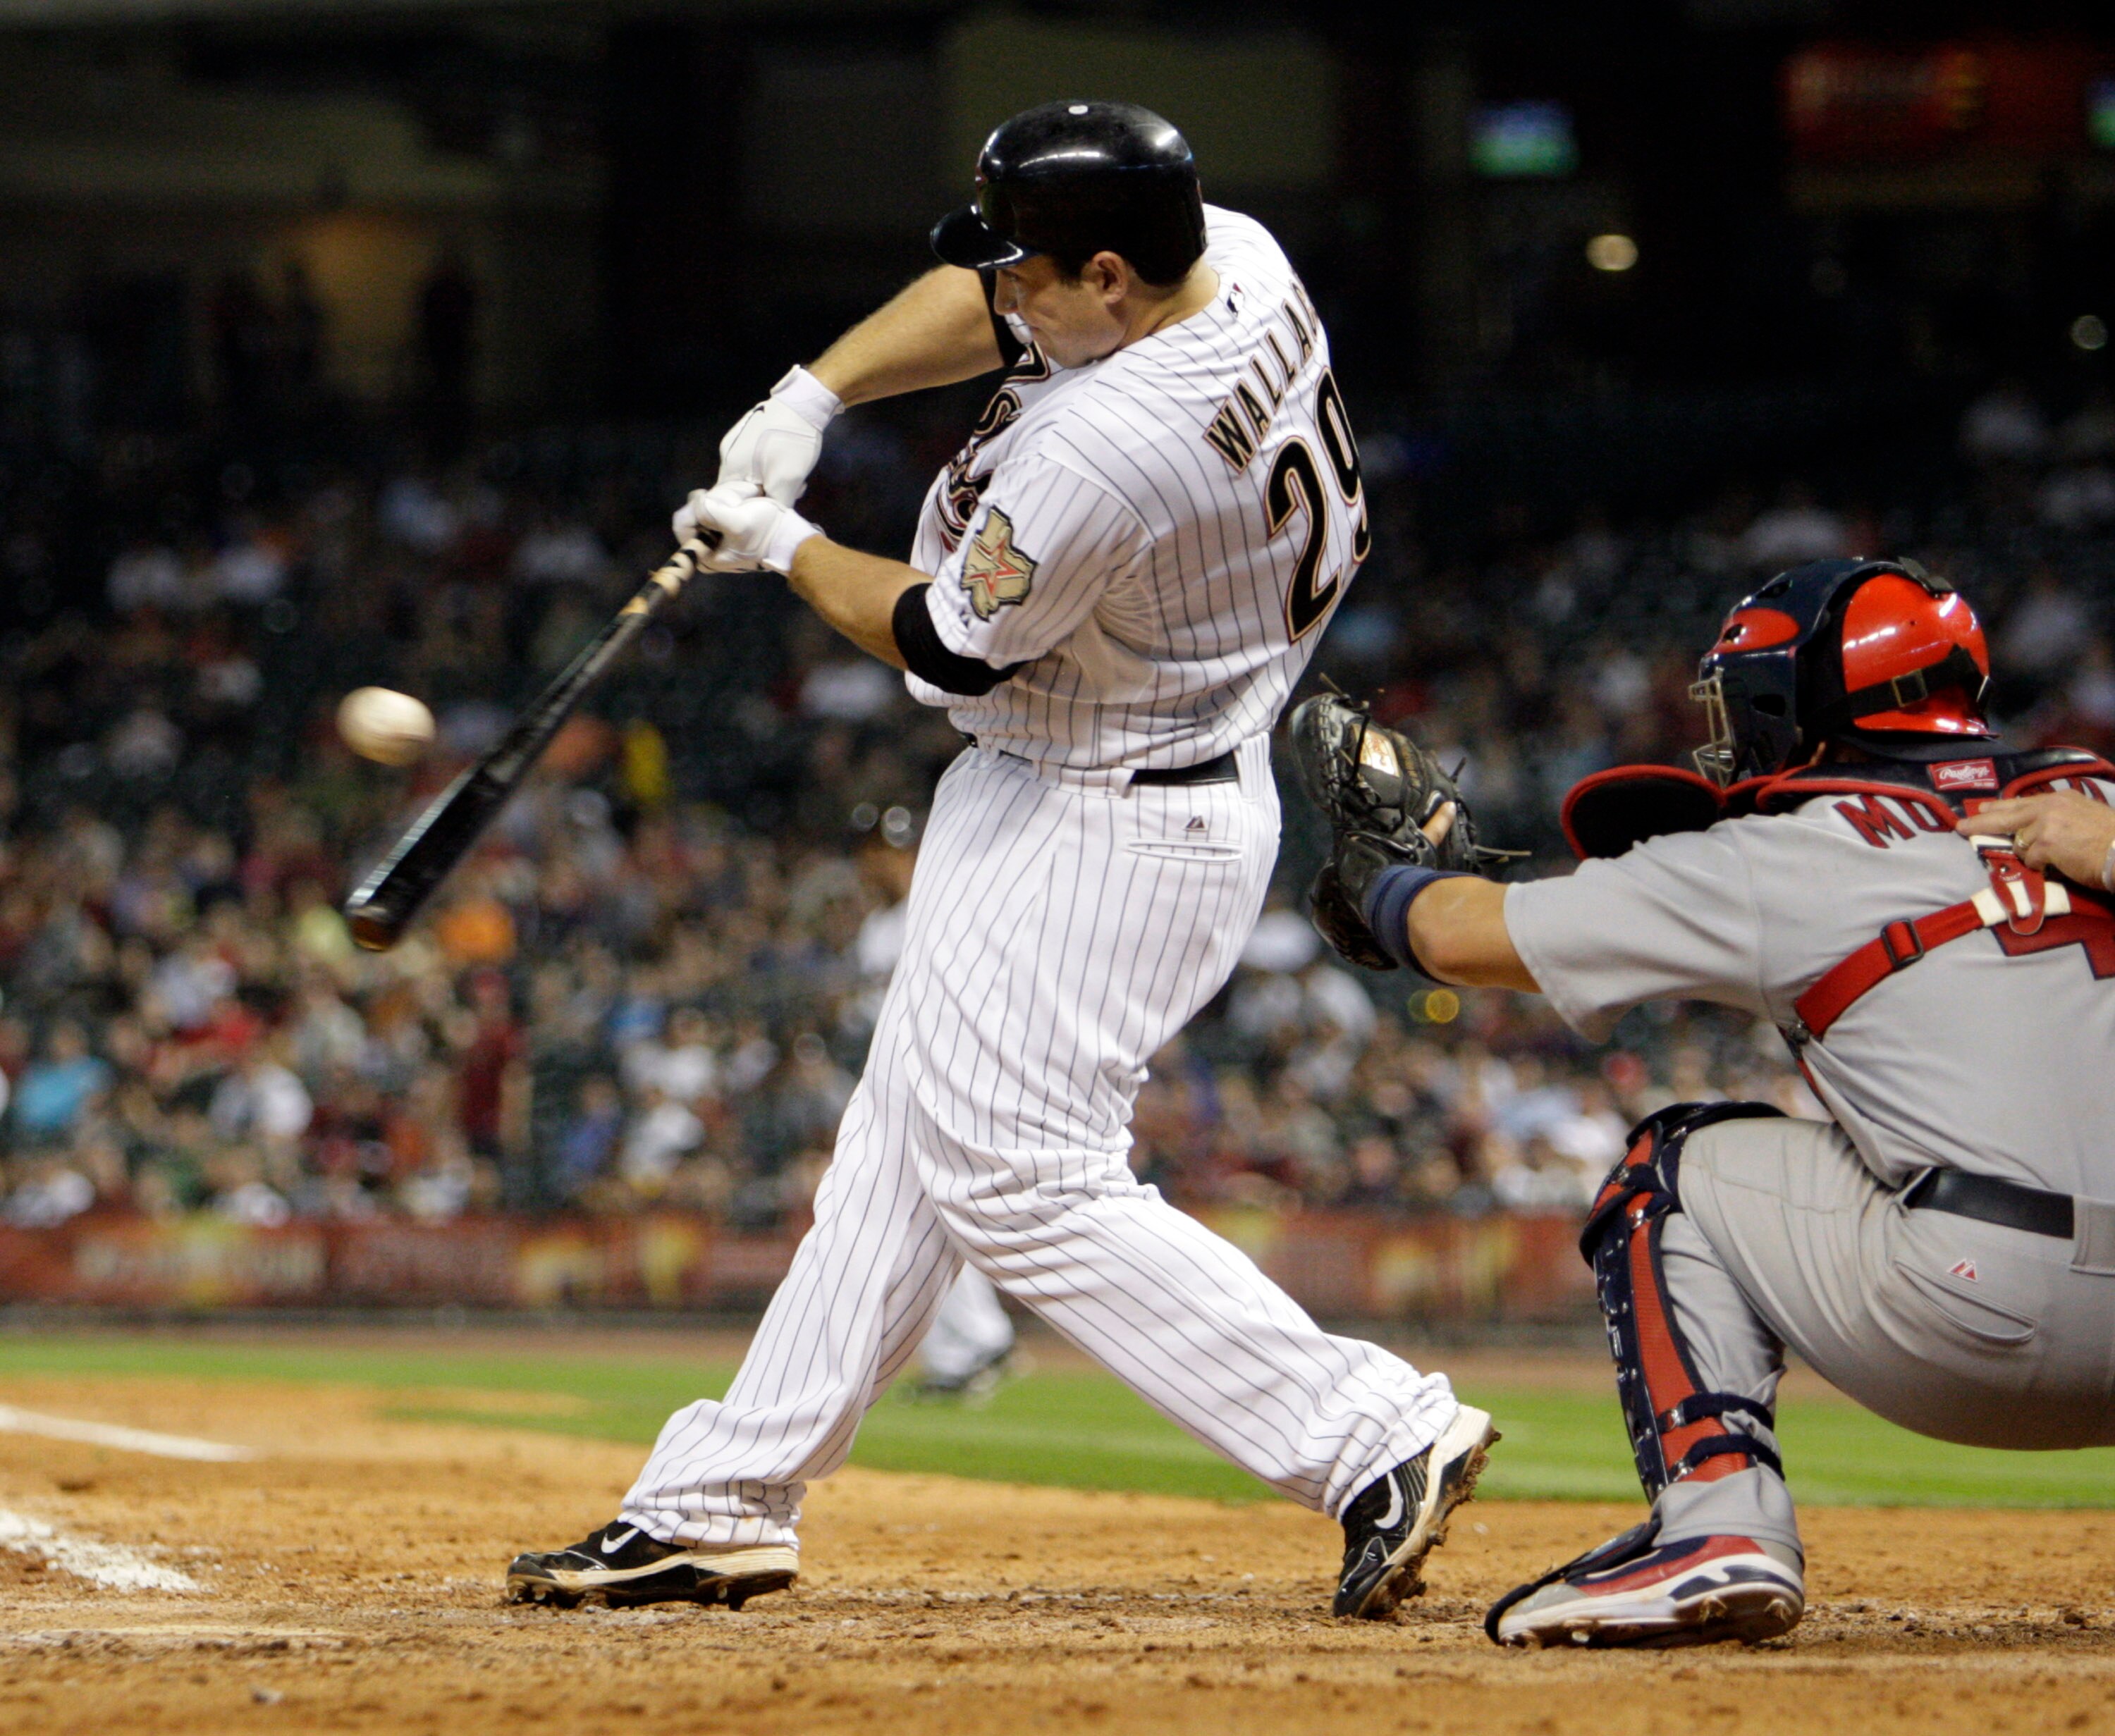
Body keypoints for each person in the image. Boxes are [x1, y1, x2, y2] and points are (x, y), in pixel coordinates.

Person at [506, 100, 1492, 1618]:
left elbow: (947, 641)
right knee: (901, 1150)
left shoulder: (1117, 440)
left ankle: (1372, 1430)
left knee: (1022, 1178)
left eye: (1034, 271)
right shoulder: (1230, 252)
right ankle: (720, 1496)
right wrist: (810, 392)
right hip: (1075, 767)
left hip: (1118, 810)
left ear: (1109, 276)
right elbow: (988, 303)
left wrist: (776, 544)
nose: (1003, 294)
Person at [1296, 556, 2115, 1649]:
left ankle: (1718, 1526)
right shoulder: (2093, 795)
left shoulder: (1783, 847)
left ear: (1800, 708)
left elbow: (1455, 936)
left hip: (1987, 1322)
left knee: (1673, 1164)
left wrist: (1381, 877)